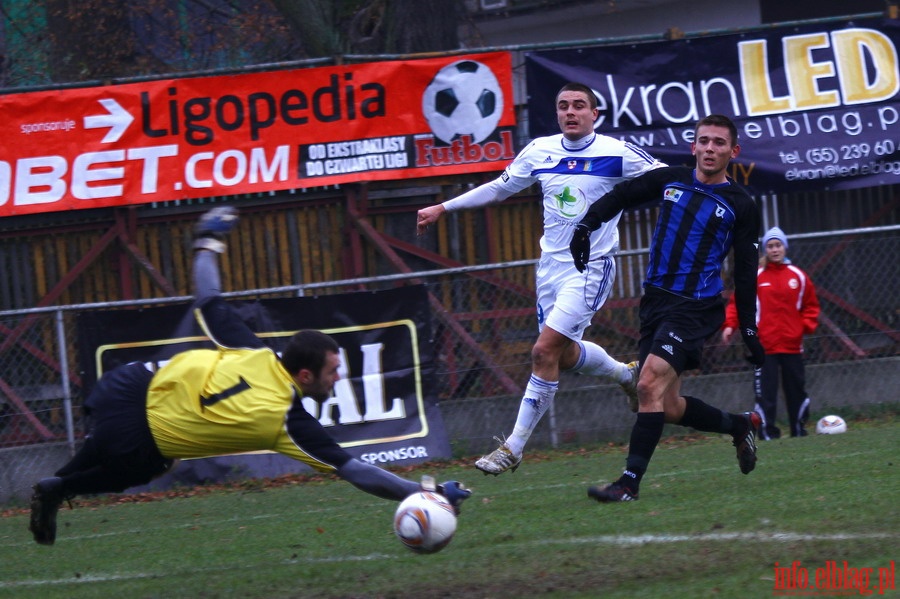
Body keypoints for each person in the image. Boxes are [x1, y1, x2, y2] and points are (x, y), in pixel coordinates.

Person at [28, 207, 471, 546]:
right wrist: (427, 492)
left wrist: (207, 243)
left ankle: (54, 489)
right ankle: (61, 487)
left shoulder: (253, 349)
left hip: (127, 384)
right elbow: (356, 471)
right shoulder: (288, 420)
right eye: (333, 371)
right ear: (303, 373)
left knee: (104, 449)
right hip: (143, 432)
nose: (338, 379)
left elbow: (207, 296)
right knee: (141, 468)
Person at [416, 82, 664, 476]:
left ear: (594, 114)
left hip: (590, 267)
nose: (570, 112)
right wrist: (443, 207)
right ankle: (625, 374)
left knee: (541, 351)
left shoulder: (616, 153)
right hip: (549, 269)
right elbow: (500, 189)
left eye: (579, 106)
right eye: (563, 105)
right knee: (560, 356)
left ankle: (512, 447)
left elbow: (666, 179)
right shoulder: (540, 151)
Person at [569, 114, 766, 502]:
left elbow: (744, 274)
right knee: (667, 404)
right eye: (703, 141)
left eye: (719, 143)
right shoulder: (670, 179)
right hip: (656, 302)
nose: (710, 148)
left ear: (733, 151)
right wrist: (584, 227)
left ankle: (628, 483)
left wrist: (748, 330)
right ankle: (740, 425)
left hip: (695, 307)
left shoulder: (741, 205)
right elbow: (622, 195)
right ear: (693, 146)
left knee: (647, 383)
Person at [722, 226, 820, 439]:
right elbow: (738, 303)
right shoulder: (756, 277)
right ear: (765, 249)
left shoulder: (799, 277)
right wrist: (730, 325)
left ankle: (799, 429)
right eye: (770, 246)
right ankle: (767, 433)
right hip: (764, 347)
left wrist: (803, 327)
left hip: (792, 346)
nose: (775, 250)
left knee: (796, 390)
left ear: (784, 248)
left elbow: (811, 306)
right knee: (766, 393)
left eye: (778, 245)